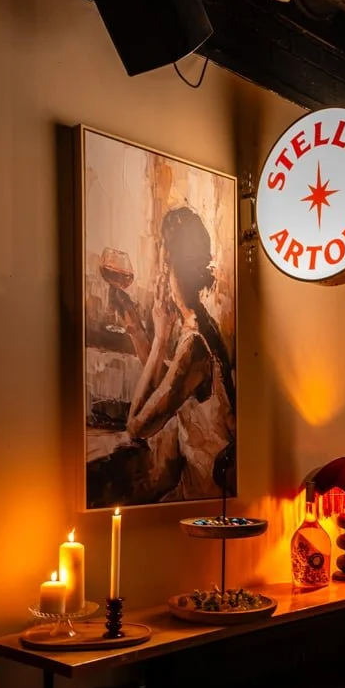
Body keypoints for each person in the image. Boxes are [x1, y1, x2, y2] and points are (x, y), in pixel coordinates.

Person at [110, 205, 236, 502]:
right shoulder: (205, 325)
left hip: (204, 496)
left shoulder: (193, 343)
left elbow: (137, 427)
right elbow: (172, 385)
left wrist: (159, 338)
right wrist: (138, 331)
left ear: (171, 267)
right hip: (210, 493)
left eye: (163, 263)